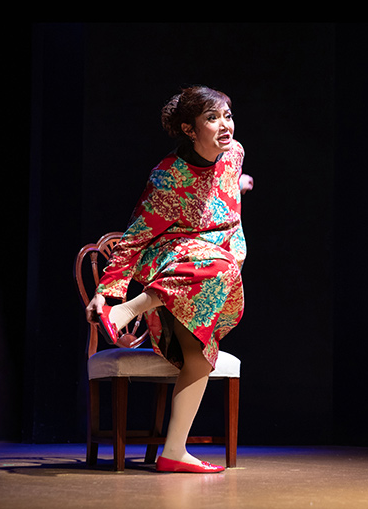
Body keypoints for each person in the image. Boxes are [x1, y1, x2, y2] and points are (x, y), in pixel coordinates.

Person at [85, 85, 253, 474]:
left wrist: (239, 185)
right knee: (221, 264)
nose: (224, 125)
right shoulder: (168, 177)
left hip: (206, 282)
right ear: (189, 130)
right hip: (173, 262)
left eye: (227, 116)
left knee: (201, 358)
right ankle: (126, 310)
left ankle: (174, 452)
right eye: (212, 118)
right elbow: (134, 238)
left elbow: (224, 186)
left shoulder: (234, 154)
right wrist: (106, 293)